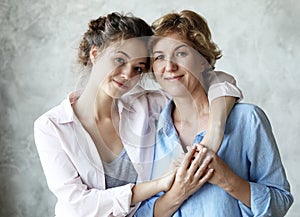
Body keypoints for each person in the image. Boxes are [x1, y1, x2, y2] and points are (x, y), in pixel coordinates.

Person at [34, 12, 243, 217]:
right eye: (119, 60)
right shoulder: (52, 126)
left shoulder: (147, 107)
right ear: (95, 54)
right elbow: (77, 205)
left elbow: (218, 80)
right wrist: (159, 184)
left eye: (138, 68)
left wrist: (214, 133)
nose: (128, 75)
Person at [135, 10, 294, 217]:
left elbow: (280, 203)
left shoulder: (247, 120)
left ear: (203, 60)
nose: (169, 67)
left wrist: (226, 179)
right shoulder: (148, 131)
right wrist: (179, 192)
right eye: (159, 57)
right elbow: (139, 212)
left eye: (181, 54)